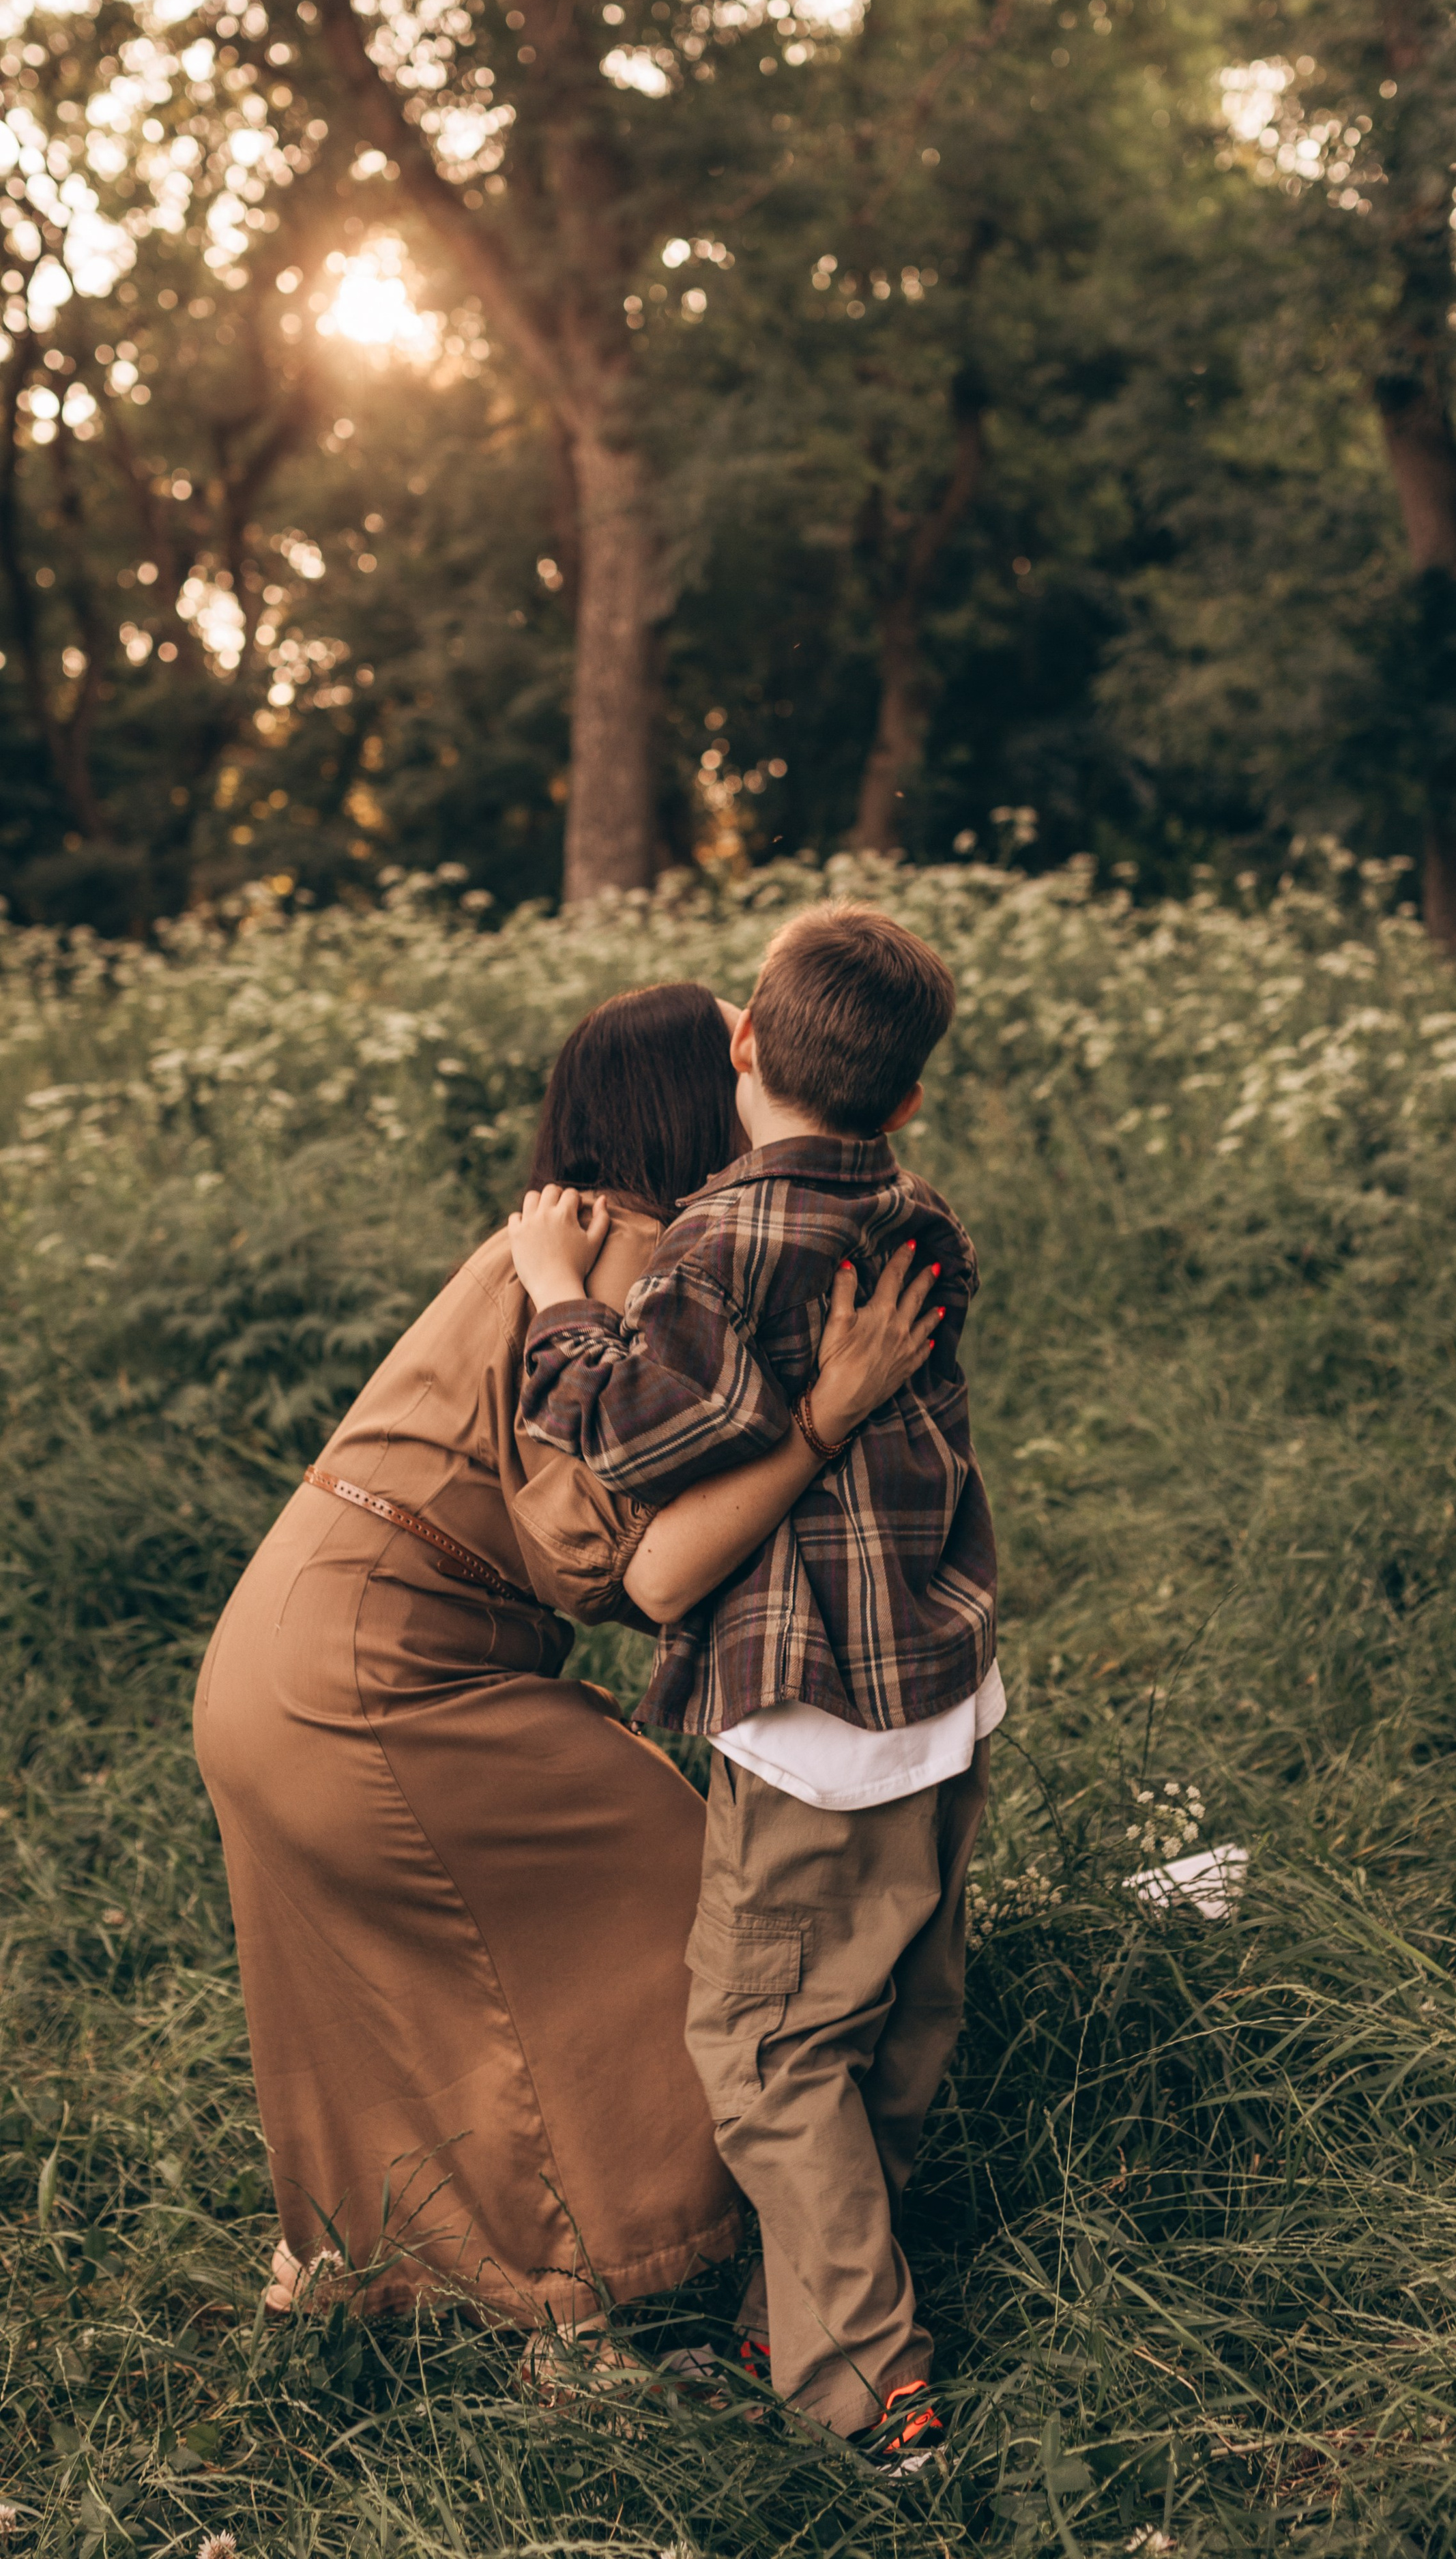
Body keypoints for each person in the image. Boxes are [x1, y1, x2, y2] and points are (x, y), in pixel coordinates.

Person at [193, 979, 937, 2345]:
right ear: (697, 1092)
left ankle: (377, 2273)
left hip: (279, 1656)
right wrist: (825, 1421)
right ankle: (655, 2257)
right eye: (735, 1053)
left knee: (406, 1985)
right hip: (377, 1677)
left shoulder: (574, 1232)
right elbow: (595, 1558)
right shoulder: (631, 1249)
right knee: (694, 1897)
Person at [507, 904, 1000, 2463]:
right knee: (893, 2018)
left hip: (809, 1722)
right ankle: (791, 2326)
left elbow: (638, 1432)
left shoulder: (718, 1243)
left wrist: (557, 1296)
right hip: (937, 1689)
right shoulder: (921, 1222)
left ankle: (871, 2390)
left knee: (770, 2056)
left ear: (739, 1041)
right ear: (904, 1096)